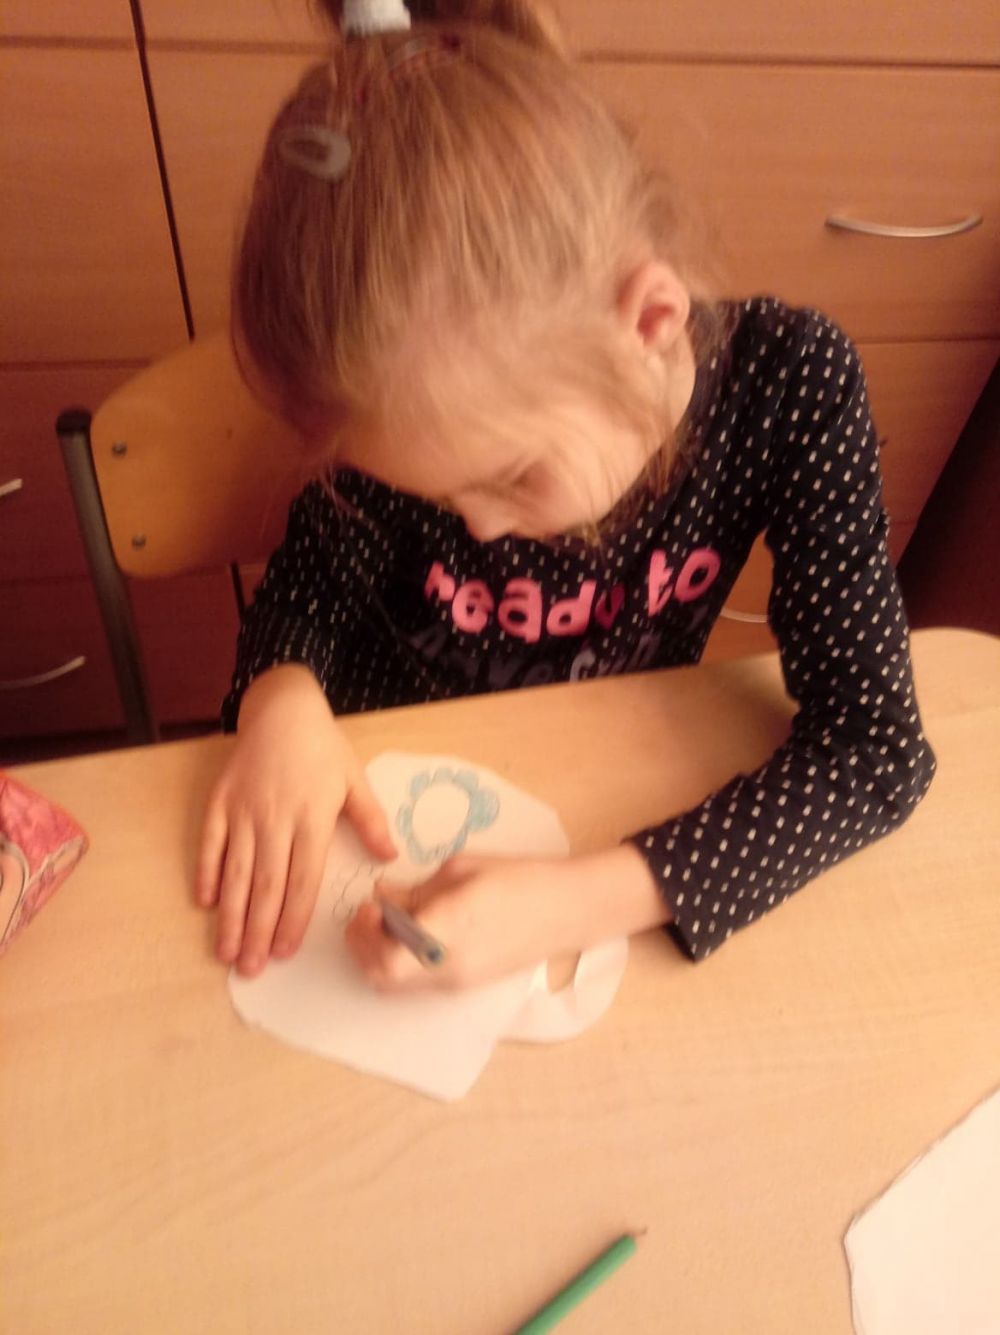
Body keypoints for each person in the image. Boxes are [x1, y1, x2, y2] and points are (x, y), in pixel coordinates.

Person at [195, 0, 936, 989]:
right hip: (387, 796)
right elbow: (313, 584)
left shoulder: (792, 384)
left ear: (650, 324)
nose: (477, 525)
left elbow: (875, 752)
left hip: (599, 796)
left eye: (509, 475)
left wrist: (573, 903)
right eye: (428, 492)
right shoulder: (419, 396)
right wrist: (280, 696)